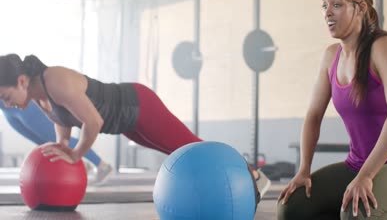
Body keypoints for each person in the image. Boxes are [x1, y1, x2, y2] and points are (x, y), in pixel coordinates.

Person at [0, 54, 270, 200]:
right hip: (128, 124)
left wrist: (76, 154)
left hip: (138, 105)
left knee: (193, 148)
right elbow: (64, 121)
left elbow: (93, 121)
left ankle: (251, 173)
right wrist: (61, 145)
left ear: (22, 81)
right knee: (178, 153)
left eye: (5, 96)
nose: (7, 104)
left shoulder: (54, 79)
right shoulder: (38, 97)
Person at [276, 0, 387, 220]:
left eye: (336, 4)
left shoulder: (384, 47)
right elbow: (313, 116)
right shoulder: (331, 57)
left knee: (356, 214)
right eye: (324, 5)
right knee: (292, 207)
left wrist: (366, 176)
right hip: (358, 165)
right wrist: (304, 169)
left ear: (359, 8)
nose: (327, 12)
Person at [0, 100, 112, 184]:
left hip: (22, 105)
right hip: (7, 111)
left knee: (57, 140)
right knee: (43, 144)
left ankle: (102, 165)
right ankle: (82, 165)